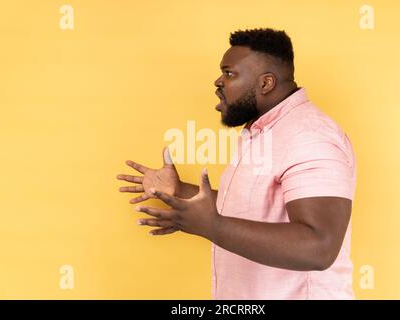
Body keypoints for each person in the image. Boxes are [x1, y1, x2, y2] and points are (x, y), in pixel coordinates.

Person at [117, 28, 357, 299]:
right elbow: (258, 210)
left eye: (229, 73)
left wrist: (212, 226)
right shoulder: (264, 131)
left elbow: (318, 246)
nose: (218, 81)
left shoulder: (310, 136)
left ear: (265, 83)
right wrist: (181, 192)